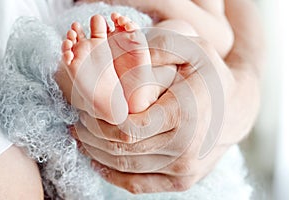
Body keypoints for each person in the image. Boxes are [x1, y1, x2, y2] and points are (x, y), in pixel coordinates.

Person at [71, 0, 263, 193]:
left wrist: (162, 4)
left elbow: (223, 38)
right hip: (103, 37)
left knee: (180, 32)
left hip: (152, 55)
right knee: (72, 57)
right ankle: (106, 94)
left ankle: (136, 93)